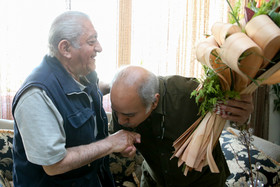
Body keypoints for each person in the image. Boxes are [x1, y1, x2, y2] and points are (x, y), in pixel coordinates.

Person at [12, 11, 140, 187]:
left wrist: (122, 84)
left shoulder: (81, 73)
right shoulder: (36, 96)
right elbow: (54, 164)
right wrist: (111, 143)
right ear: (65, 49)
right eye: (91, 41)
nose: (99, 47)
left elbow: (85, 96)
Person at [110, 65, 254, 187]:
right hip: (154, 181)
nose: (121, 121)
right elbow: (117, 142)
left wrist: (241, 114)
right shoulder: (123, 107)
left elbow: (232, 117)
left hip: (202, 182)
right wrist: (122, 150)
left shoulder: (192, 94)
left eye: (129, 116)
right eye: (116, 113)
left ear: (154, 102)